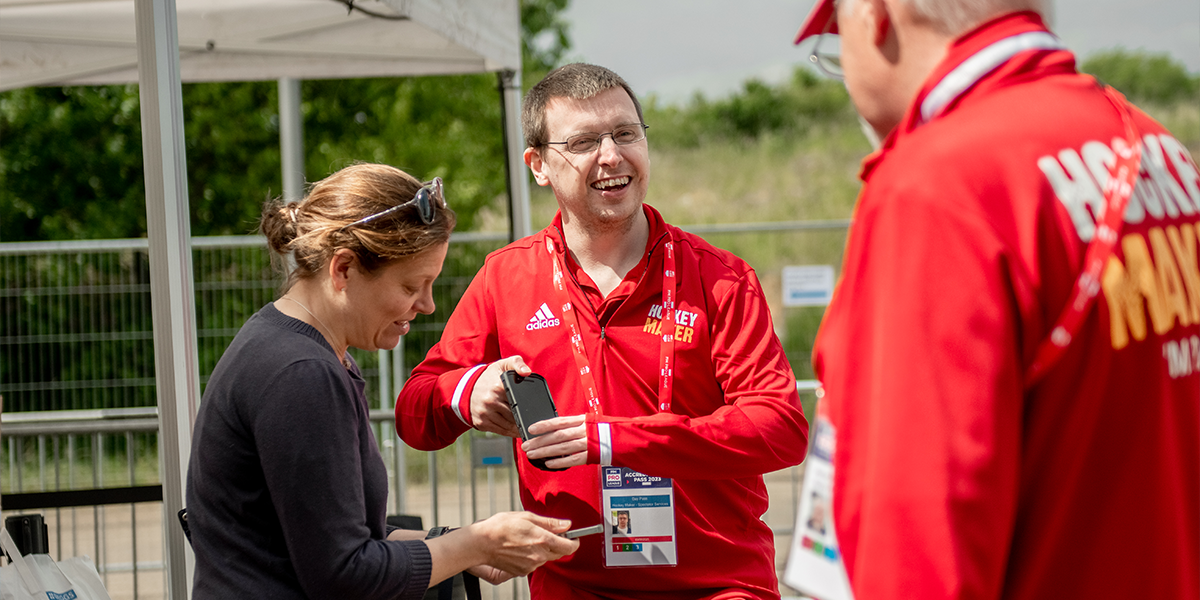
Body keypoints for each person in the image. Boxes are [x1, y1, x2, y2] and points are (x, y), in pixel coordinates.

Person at [794, 0, 1200, 598]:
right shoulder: (1156, 148)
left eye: (836, 42)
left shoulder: (938, 185)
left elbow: (920, 549)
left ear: (876, 16)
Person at [395, 64, 810, 599]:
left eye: (625, 134)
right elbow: (413, 413)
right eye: (585, 141)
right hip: (573, 588)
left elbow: (778, 427)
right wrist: (468, 393)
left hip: (720, 587)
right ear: (539, 166)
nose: (611, 155)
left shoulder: (719, 276)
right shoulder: (507, 277)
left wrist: (613, 440)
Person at [185, 163, 579, 599]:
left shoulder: (295, 350)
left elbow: (331, 541)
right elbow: (345, 574)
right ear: (344, 269)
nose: (427, 305)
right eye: (412, 286)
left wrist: (463, 545)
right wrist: (477, 542)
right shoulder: (302, 374)